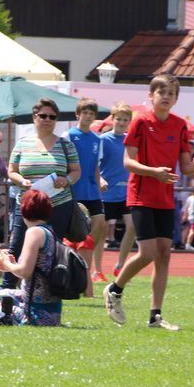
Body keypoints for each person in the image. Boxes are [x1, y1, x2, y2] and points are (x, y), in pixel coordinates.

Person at [103, 73, 194, 330]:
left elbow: (186, 166)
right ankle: (114, 289)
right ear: (151, 96)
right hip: (141, 194)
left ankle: (155, 316)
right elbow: (128, 162)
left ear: (176, 99)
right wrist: (153, 171)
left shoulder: (180, 125)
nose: (166, 97)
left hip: (165, 198)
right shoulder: (141, 123)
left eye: (171, 94)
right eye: (162, 92)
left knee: (164, 254)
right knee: (147, 253)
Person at [0, 98, 80, 316]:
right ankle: (6, 293)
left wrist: (66, 180)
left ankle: (47, 297)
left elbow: (75, 171)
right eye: (43, 115)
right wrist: (20, 180)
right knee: (15, 248)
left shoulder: (66, 144)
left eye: (52, 116)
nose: (47, 120)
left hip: (57, 206)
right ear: (34, 117)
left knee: (52, 252)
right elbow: (11, 170)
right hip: (26, 206)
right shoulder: (23, 143)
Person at [0, 190, 62, 326]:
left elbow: (25, 272)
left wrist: (7, 264)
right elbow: (32, 271)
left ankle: (13, 317)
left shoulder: (33, 232)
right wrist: (11, 264)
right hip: (50, 311)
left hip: (35, 314)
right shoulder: (49, 232)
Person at [64, 98, 107, 284]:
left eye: (91, 113)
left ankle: (83, 257)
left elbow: (97, 167)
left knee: (100, 224)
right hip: (74, 189)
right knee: (70, 230)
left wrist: (100, 183)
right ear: (78, 114)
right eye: (85, 113)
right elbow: (64, 163)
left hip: (91, 190)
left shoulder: (98, 139)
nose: (88, 116)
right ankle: (68, 262)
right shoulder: (69, 135)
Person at [98, 103, 135, 275]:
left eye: (125, 120)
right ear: (112, 119)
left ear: (129, 122)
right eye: (118, 119)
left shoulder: (131, 140)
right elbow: (94, 165)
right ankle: (97, 270)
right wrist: (100, 179)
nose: (121, 122)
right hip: (106, 193)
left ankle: (120, 265)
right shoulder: (103, 140)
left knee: (132, 226)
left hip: (126, 193)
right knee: (101, 232)